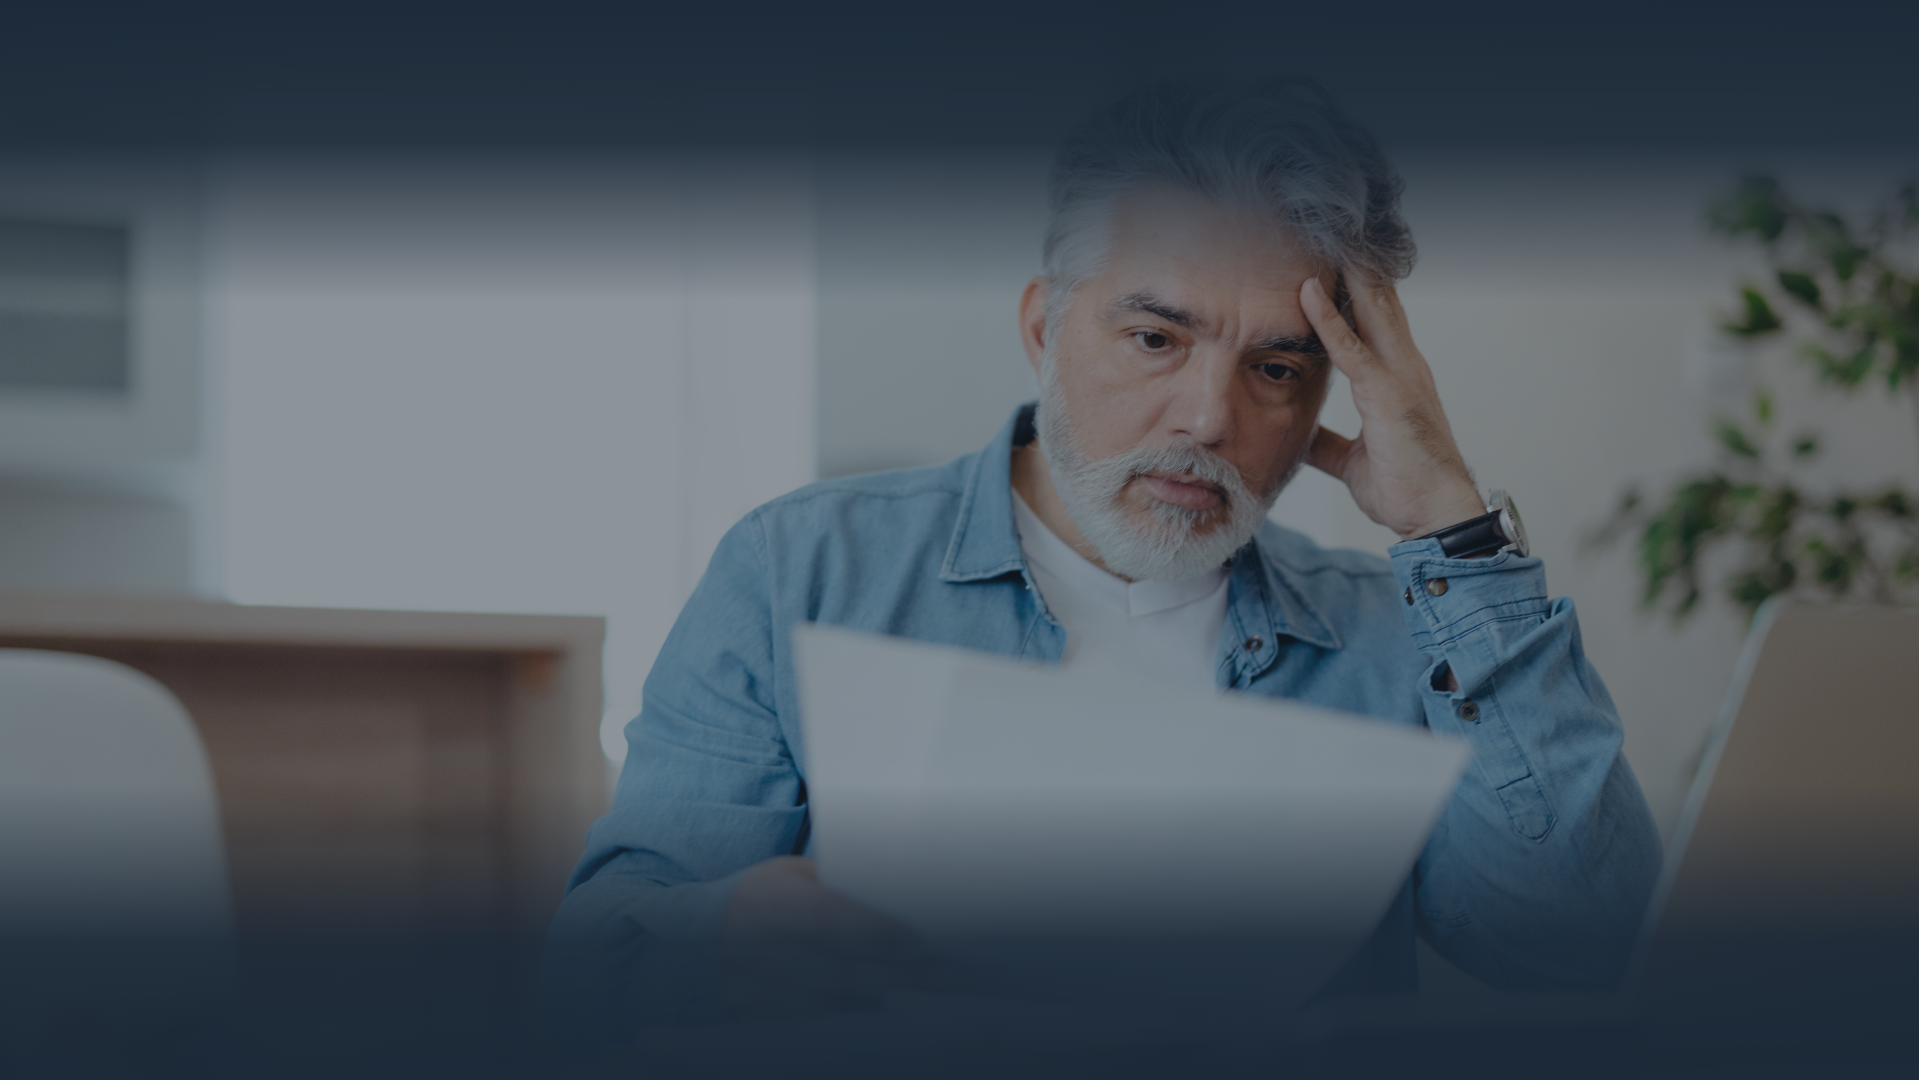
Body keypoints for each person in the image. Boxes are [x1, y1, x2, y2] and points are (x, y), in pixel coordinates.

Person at [543, 78, 1662, 1034]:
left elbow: (1576, 949)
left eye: (1277, 368)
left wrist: (1454, 534)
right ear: (1044, 329)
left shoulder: (1395, 639)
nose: (1208, 417)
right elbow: (600, 964)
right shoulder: (801, 570)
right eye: (1155, 338)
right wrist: (721, 944)